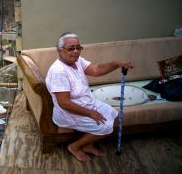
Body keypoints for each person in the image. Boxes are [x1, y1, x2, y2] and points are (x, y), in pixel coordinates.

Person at [45, 32, 134, 162]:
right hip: (69, 112)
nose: (75, 51)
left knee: (113, 114)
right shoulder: (59, 71)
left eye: (78, 47)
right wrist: (90, 113)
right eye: (71, 48)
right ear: (59, 50)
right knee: (104, 128)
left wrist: (116, 63)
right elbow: (64, 103)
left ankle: (88, 145)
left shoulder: (77, 61)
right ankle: (75, 147)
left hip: (87, 103)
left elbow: (96, 70)